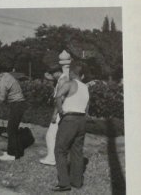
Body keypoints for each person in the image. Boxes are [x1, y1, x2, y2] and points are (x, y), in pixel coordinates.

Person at [52, 63, 90, 192]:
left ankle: (64, 183)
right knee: (77, 151)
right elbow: (87, 107)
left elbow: (57, 96)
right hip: (82, 119)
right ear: (82, 75)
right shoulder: (85, 87)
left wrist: (60, 110)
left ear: (72, 73)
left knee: (60, 150)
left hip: (70, 119)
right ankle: (76, 182)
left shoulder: (69, 83)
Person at [40, 68, 71, 166]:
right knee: (57, 135)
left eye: (51, 74)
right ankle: (57, 157)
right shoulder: (64, 79)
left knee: (50, 135)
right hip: (65, 110)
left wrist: (54, 114)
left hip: (61, 110)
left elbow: (60, 99)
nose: (51, 77)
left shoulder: (62, 81)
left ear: (57, 72)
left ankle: (51, 158)